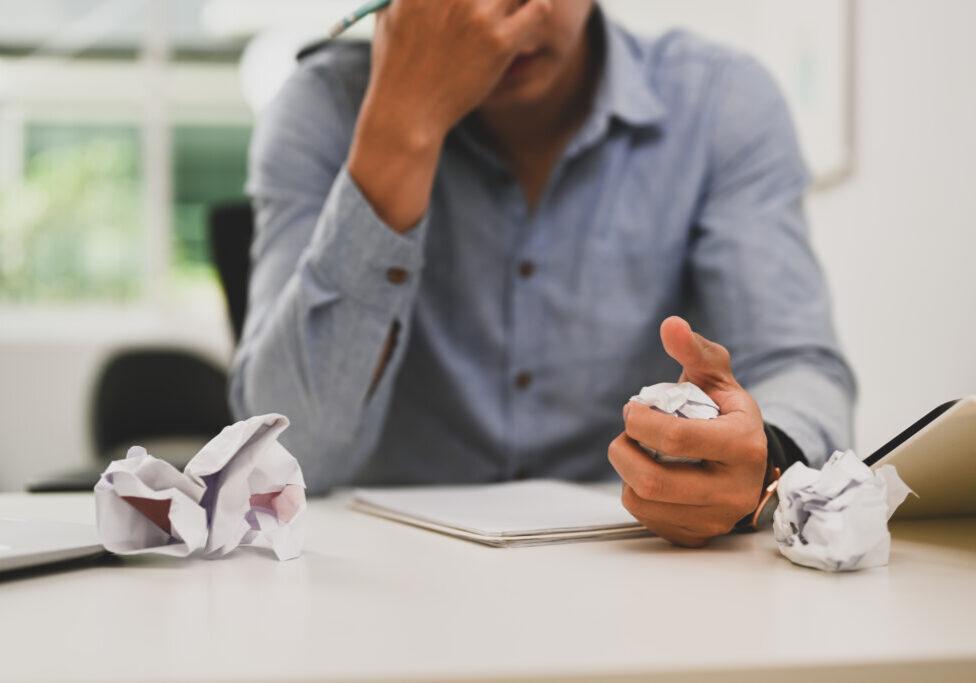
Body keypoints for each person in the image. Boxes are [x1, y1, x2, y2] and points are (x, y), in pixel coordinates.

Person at [230, 0, 856, 547]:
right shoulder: (322, 109)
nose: (506, 17)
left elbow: (798, 367)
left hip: (637, 566)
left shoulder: (722, 102)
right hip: (382, 579)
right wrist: (402, 125)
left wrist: (763, 457)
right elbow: (292, 451)